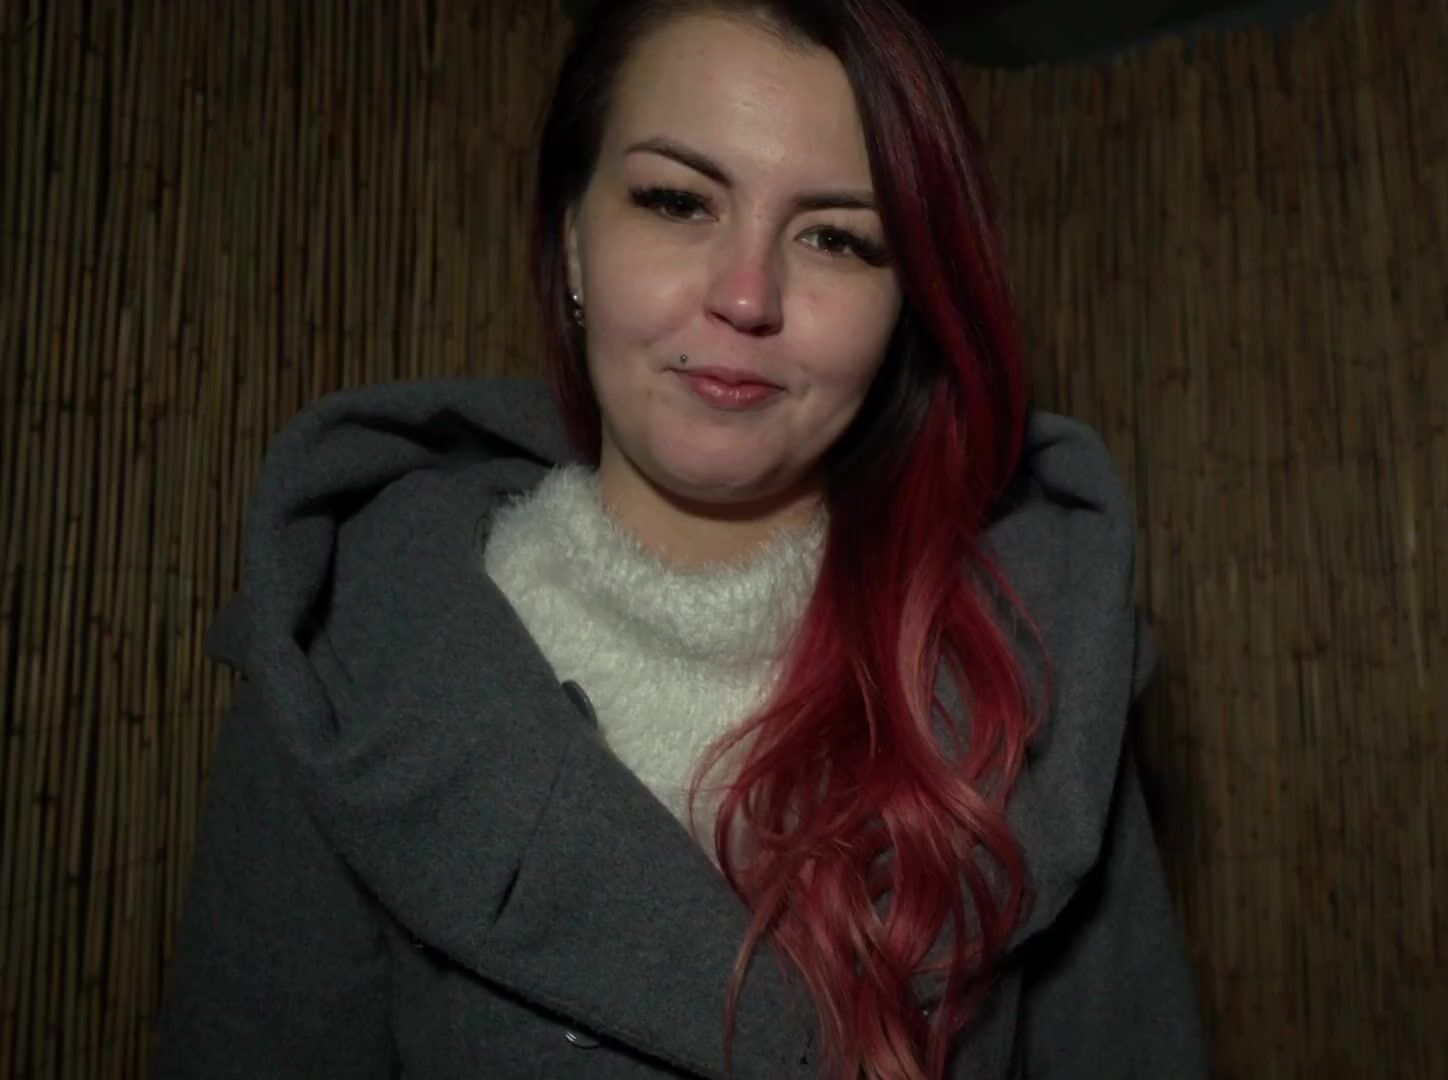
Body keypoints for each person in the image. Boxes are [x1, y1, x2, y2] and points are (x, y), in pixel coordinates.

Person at [153, 0, 1208, 1077]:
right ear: (572, 234)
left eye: (837, 237)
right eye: (677, 201)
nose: (747, 296)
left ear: (908, 306)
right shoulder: (351, 667)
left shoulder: (1033, 669)